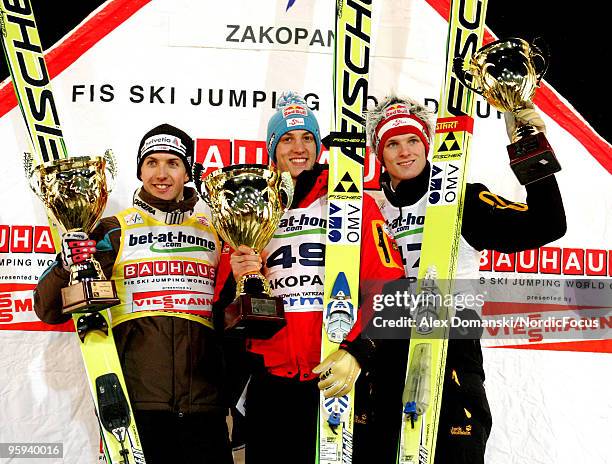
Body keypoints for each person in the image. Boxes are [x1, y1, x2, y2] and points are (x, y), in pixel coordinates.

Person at [353, 95, 567, 464]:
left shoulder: (461, 200)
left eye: (413, 140)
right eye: (392, 143)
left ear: (428, 144)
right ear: (379, 154)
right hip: (383, 360)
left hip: (450, 355)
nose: (404, 152)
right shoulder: (368, 210)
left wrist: (530, 149)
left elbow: (548, 223)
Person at [214, 91, 405, 464]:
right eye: (286, 138)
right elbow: (223, 312)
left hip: (337, 375)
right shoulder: (249, 208)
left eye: (307, 138)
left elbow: (390, 287)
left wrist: (358, 351)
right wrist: (235, 280)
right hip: (273, 385)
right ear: (272, 148)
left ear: (318, 146)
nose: (298, 148)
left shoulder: (351, 203)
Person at [34, 124, 233, 464]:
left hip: (205, 405)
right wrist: (66, 265)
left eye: (173, 163)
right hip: (136, 404)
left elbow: (233, 312)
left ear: (188, 171)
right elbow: (48, 309)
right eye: (152, 162)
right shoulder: (112, 229)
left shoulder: (217, 231)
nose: (161, 173)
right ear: (139, 169)